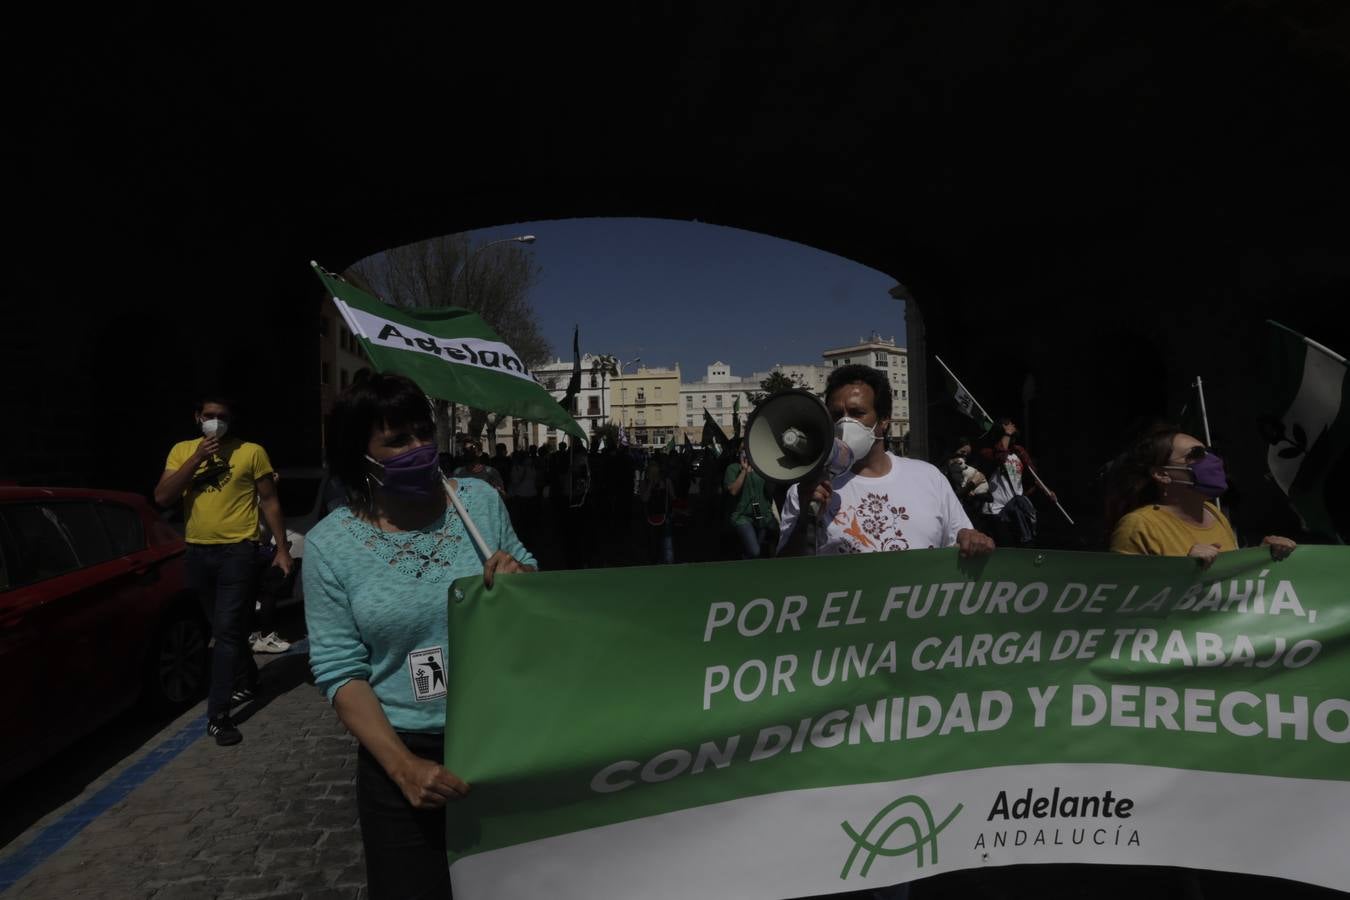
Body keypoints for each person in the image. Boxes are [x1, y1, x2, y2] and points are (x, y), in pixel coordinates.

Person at [303, 373, 536, 899]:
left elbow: (532, 581)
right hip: (406, 763)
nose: (419, 448)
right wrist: (404, 768)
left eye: (423, 433)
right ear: (359, 455)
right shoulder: (329, 547)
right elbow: (341, 672)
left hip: (504, 743)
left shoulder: (478, 502)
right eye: (397, 440)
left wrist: (523, 581)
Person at [154, 395, 293, 746]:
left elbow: (269, 500)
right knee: (220, 625)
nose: (215, 421)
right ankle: (247, 680)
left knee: (227, 631)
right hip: (198, 551)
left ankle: (218, 715)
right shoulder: (182, 450)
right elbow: (163, 496)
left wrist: (281, 549)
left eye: (222, 417)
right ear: (197, 417)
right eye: (209, 416)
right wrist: (198, 457)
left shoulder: (251, 452)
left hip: (239, 551)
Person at [779, 365, 995, 557]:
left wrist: (971, 538)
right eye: (836, 415)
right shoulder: (807, 489)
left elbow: (961, 538)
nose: (845, 423)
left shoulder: (928, 478)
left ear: (884, 420)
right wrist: (806, 519)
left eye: (857, 413)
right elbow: (785, 575)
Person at [1106, 424, 1296, 566]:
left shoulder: (1213, 513)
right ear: (1162, 474)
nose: (1211, 461)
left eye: (1209, 452)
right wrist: (1185, 568)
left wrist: (1260, 555)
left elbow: (1226, 577)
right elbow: (1121, 596)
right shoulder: (1138, 525)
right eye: (1195, 454)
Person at [978, 417, 1053, 548]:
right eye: (1007, 425)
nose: (1011, 426)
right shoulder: (989, 452)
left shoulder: (1019, 452)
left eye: (1012, 425)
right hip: (997, 510)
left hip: (1016, 509)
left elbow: (1033, 474)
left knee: (1024, 546)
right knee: (1006, 547)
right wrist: (1006, 434)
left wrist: (1047, 490)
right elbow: (1000, 457)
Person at [724, 443, 776, 558]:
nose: (746, 451)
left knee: (756, 550)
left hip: (762, 515)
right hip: (742, 517)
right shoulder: (733, 468)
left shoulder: (761, 468)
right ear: (739, 452)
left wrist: (770, 473)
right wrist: (744, 471)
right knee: (754, 551)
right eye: (743, 449)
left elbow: (770, 490)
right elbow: (733, 491)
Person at [945, 437, 989, 524]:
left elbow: (988, 497)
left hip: (972, 515)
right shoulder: (944, 471)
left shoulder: (969, 468)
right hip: (954, 517)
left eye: (967, 454)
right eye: (962, 452)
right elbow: (953, 496)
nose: (964, 456)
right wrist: (972, 484)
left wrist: (975, 492)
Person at [639, 457, 675, 564]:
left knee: (666, 543)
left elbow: (673, 497)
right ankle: (653, 562)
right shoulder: (644, 483)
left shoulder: (666, 481)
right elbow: (644, 498)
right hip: (650, 517)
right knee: (652, 543)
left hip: (664, 516)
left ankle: (667, 563)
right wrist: (650, 484)